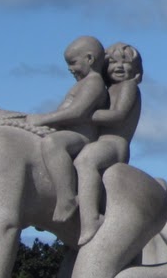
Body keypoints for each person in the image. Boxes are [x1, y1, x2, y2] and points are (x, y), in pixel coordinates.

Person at [26, 36, 110, 223]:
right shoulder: (81, 84)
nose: (69, 69)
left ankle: (67, 198)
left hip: (81, 136)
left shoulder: (94, 82)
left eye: (73, 63)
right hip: (69, 133)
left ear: (90, 59)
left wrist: (43, 119)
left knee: (52, 143)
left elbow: (78, 112)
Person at [73, 41, 143, 243]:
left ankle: (91, 219)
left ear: (136, 68)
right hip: (102, 142)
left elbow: (118, 116)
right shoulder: (109, 89)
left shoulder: (128, 87)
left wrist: (83, 115)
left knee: (85, 161)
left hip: (115, 144)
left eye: (125, 62)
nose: (119, 67)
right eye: (112, 63)